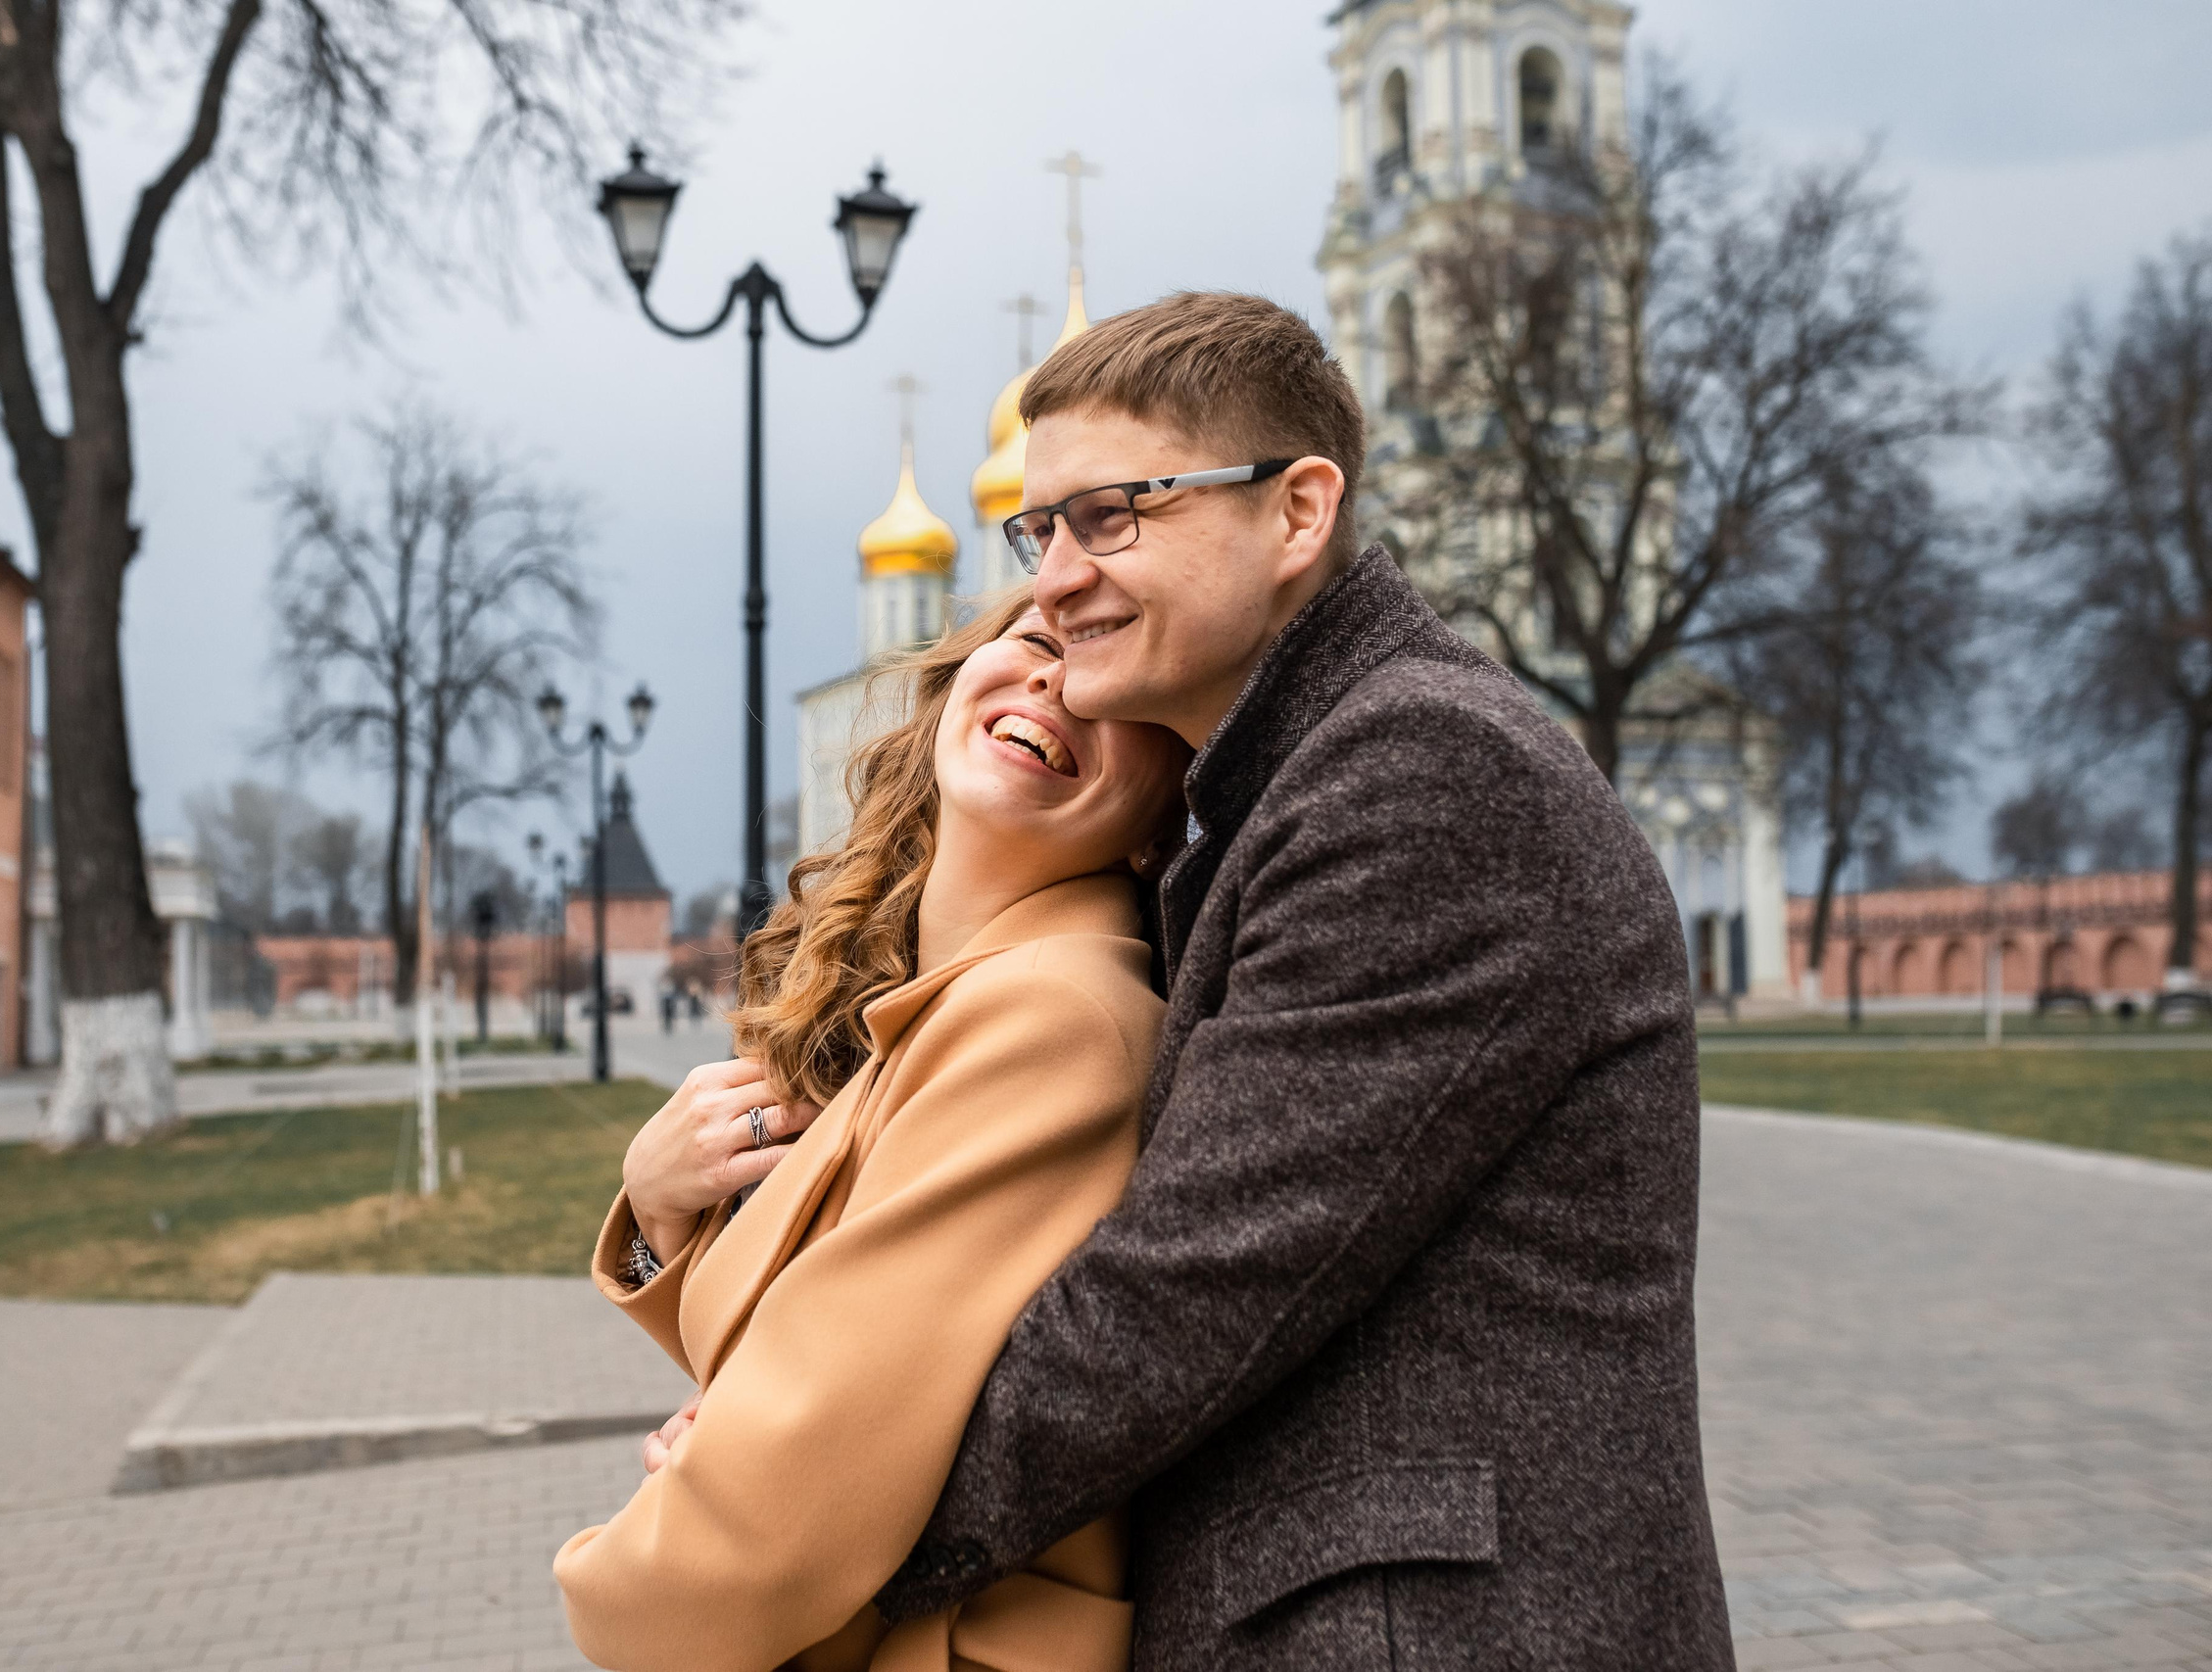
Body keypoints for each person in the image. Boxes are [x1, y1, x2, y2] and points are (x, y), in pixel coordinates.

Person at [637, 291, 1735, 1666]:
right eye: (1041, 529)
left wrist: (811, 1531)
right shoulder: (1288, 789)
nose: (1053, 575)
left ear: (1297, 510)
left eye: (1115, 514)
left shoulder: (1424, 773)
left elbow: (1182, 1293)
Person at [553, 590, 1191, 1672]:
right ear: (953, 695)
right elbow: (850, 1368)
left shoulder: (1052, 1016)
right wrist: (661, 1210)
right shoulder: (928, 1009)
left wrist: (603, 1576)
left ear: (1154, 830)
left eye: (1109, 691)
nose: (1054, 680)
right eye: (1034, 640)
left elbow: (791, 1505)